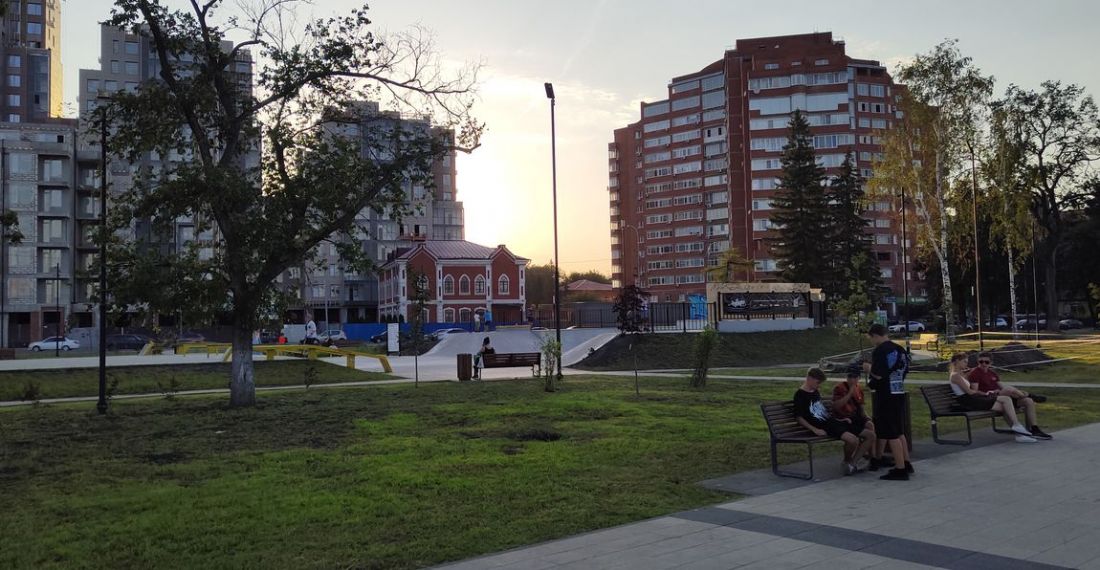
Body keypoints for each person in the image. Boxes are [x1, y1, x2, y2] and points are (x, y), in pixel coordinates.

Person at [794, 368, 874, 476]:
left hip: (832, 422)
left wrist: (839, 419)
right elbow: (799, 418)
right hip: (823, 426)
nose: (819, 386)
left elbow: (823, 412)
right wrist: (815, 429)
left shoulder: (815, 391)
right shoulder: (800, 395)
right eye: (818, 383)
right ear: (809, 378)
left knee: (870, 435)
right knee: (853, 440)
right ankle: (847, 462)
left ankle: (852, 464)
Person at [947, 352, 1039, 443]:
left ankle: (1018, 431)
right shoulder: (955, 376)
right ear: (957, 361)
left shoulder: (960, 374)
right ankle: (1019, 431)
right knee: (1005, 402)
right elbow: (970, 392)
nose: (966, 364)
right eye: (964, 362)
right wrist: (986, 393)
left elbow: (969, 384)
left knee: (1006, 401)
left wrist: (968, 373)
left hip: (973, 398)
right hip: (968, 401)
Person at [863, 323, 912, 481]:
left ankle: (900, 469)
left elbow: (878, 374)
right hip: (898, 390)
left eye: (871, 338)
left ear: (875, 335)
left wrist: (868, 369)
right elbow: (905, 369)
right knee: (899, 430)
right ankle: (906, 462)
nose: (871, 341)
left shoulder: (881, 350)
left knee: (891, 433)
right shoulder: (900, 349)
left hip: (886, 394)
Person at [966, 352, 1051, 440]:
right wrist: (991, 392)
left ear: (991, 363)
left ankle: (1034, 429)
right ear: (978, 362)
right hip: (988, 398)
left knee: (1028, 401)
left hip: (1000, 397)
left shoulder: (992, 373)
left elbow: (1002, 386)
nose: (983, 364)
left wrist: (1014, 392)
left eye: (986, 362)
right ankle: (1030, 395)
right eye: (981, 362)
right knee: (1008, 390)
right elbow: (975, 391)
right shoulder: (975, 373)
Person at [833, 364, 882, 470]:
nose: (852, 379)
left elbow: (860, 406)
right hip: (845, 419)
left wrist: (866, 417)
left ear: (858, 377)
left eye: (855, 377)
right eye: (850, 376)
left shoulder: (858, 388)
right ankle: (852, 461)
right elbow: (836, 406)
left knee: (870, 424)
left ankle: (872, 457)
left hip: (856, 418)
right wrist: (849, 393)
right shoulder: (840, 388)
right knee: (869, 435)